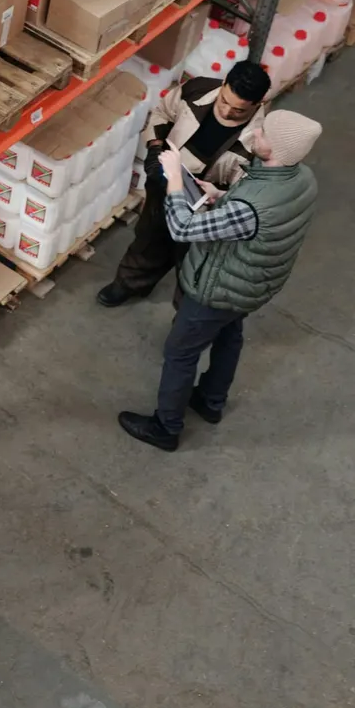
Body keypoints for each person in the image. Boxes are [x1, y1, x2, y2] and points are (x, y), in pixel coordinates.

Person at [119, 110, 321, 451]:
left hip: (219, 287)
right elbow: (255, 207)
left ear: (276, 148)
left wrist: (173, 180)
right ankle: (211, 401)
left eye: (263, 133)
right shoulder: (302, 178)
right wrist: (219, 195)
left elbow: (182, 228)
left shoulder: (251, 208)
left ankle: (165, 427)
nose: (255, 134)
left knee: (180, 353)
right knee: (229, 334)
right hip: (251, 284)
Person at [97, 61, 272, 307]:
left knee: (192, 264)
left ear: (258, 104)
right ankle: (130, 283)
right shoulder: (197, 90)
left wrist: (220, 194)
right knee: (149, 237)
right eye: (224, 101)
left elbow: (252, 190)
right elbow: (163, 113)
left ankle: (184, 313)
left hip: (206, 211)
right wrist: (155, 147)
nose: (227, 111)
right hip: (165, 182)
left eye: (238, 111)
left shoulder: (260, 140)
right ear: (223, 84)